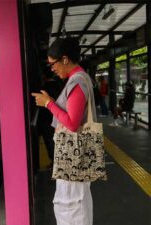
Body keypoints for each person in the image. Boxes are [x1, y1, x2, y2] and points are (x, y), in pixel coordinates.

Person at [31, 38, 97, 225]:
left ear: (65, 59)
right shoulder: (79, 79)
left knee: (72, 207)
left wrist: (48, 103)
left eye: (53, 64)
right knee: (75, 203)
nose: (52, 68)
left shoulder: (77, 82)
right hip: (76, 155)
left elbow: (72, 124)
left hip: (74, 155)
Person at [37, 66, 63, 167]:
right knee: (59, 140)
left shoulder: (44, 88)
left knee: (49, 141)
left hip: (47, 119)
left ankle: (54, 162)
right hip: (59, 117)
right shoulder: (60, 85)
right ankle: (60, 160)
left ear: (43, 75)